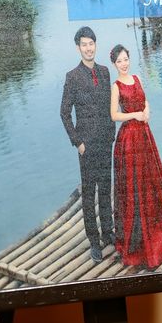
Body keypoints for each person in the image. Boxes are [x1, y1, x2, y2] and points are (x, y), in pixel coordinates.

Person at [110, 44, 162, 268]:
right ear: (114, 64)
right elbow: (114, 115)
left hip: (145, 135)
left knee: (151, 183)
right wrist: (135, 115)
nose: (124, 64)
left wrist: (147, 111)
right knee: (134, 186)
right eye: (119, 61)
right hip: (128, 140)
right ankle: (138, 238)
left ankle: (157, 229)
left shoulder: (137, 78)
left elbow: (145, 100)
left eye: (125, 59)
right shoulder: (116, 86)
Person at [60, 27, 116, 263]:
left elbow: (110, 106)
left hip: (105, 141)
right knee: (89, 192)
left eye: (91, 43)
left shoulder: (104, 72)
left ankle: (108, 233)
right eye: (84, 44)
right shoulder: (72, 76)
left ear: (95, 45)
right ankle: (94, 241)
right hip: (87, 145)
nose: (88, 48)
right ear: (78, 48)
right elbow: (64, 113)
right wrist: (78, 142)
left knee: (105, 189)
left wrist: (111, 134)